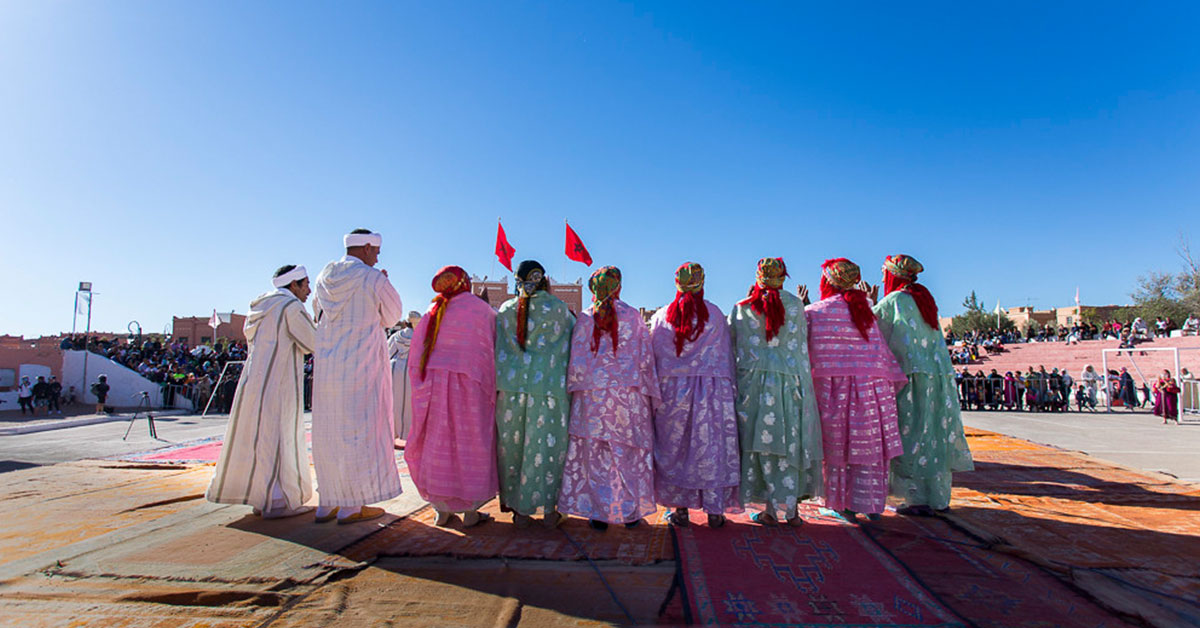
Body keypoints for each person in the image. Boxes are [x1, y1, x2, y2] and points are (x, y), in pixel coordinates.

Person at [206, 265, 318, 519]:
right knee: (279, 437)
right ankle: (278, 501)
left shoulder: (258, 308)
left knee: (257, 438)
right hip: (279, 381)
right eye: (306, 284)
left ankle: (259, 498)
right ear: (294, 285)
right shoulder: (290, 306)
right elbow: (313, 342)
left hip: (254, 380)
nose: (309, 290)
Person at [311, 229, 405, 524]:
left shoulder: (323, 278)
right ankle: (352, 506)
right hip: (362, 368)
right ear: (366, 247)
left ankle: (327, 503)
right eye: (375, 251)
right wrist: (384, 283)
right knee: (360, 432)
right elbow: (392, 316)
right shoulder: (372, 278)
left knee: (329, 432)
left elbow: (317, 313)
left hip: (329, 370)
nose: (378, 256)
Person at [558, 266, 661, 530]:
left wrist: (576, 392)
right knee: (628, 453)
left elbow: (576, 362)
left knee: (595, 454)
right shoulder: (632, 316)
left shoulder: (585, 318)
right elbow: (645, 359)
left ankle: (599, 513)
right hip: (628, 397)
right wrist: (650, 394)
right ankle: (631, 513)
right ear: (618, 286)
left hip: (592, 397)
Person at [872, 255, 973, 516]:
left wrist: (870, 303)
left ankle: (914, 497)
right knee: (933, 432)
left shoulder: (894, 300)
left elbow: (871, 328)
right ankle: (937, 496)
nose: (882, 278)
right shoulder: (925, 300)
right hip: (935, 376)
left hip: (910, 377)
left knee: (910, 432)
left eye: (884, 273)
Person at [728, 258, 822, 526]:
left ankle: (769, 509)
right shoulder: (796, 305)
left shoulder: (742, 307)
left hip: (754, 388)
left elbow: (732, 344)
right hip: (791, 386)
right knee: (790, 443)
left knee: (761, 445)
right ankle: (792, 512)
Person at [650, 262, 740, 528]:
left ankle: (680, 511)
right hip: (711, 392)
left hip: (673, 393)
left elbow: (655, 357)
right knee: (710, 448)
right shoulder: (716, 314)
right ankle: (715, 511)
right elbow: (727, 356)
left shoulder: (662, 315)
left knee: (676, 449)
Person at [407, 266, 498, 527]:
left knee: (438, 443)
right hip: (471, 388)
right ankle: (470, 511)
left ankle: (441, 509)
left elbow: (416, 354)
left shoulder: (432, 310)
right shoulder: (480, 309)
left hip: (435, 388)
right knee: (471, 442)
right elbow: (493, 345)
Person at [493, 260, 575, 528]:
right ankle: (550, 512)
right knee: (548, 450)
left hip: (511, 392)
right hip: (549, 390)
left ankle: (520, 512)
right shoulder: (559, 309)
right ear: (544, 280)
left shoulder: (506, 309)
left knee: (513, 451)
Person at [387, 311, 420, 447]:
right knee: (410, 406)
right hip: (412, 372)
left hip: (394, 370)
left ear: (406, 323)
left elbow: (387, 353)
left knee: (393, 404)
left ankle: (392, 434)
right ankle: (409, 436)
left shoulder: (396, 336)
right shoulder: (420, 337)